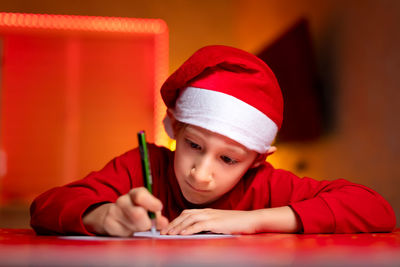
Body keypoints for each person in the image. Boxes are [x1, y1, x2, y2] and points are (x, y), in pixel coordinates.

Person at [30, 45, 396, 236]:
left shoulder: (267, 186)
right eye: (194, 145)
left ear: (256, 160)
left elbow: (375, 208)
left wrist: (252, 221)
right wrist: (103, 216)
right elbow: (46, 206)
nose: (200, 175)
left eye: (228, 159)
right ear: (173, 127)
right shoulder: (140, 168)